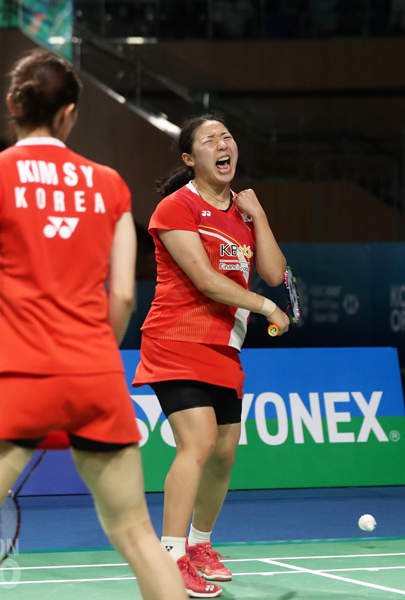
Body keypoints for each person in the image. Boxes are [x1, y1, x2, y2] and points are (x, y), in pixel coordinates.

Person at [0, 48, 188, 600]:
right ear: (69, 113)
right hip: (97, 376)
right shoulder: (110, 184)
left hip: (24, 377)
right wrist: (88, 360)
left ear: (12, 105)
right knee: (138, 535)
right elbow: (123, 295)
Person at [133, 113, 289, 598]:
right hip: (176, 339)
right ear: (189, 157)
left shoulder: (243, 213)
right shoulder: (175, 207)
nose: (222, 144)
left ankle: (201, 544)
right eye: (209, 139)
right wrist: (266, 307)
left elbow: (273, 272)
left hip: (225, 345)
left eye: (227, 136)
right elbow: (204, 279)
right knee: (197, 444)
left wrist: (259, 215)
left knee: (223, 452)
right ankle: (171, 557)